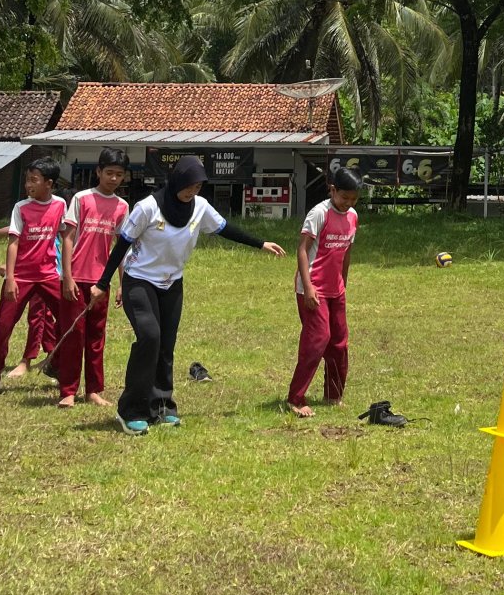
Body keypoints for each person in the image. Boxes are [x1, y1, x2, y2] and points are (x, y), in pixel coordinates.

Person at [89, 155, 284, 436]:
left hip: (172, 284)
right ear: (177, 181)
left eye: (197, 187)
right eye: (188, 186)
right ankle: (130, 410)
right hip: (140, 281)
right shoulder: (148, 208)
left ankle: (163, 406)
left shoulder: (200, 207)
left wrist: (260, 243)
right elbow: (122, 245)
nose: (192, 192)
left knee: (166, 344)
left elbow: (224, 228)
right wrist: (103, 283)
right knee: (150, 338)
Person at [0, 160, 65, 398]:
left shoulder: (61, 206)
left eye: (34, 180)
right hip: (22, 277)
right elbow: (13, 242)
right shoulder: (21, 207)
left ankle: (60, 369)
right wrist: (11, 278)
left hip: (49, 275)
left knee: (71, 321)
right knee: (3, 328)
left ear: (49, 183)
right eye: (27, 179)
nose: (28, 185)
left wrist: (67, 275)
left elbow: (67, 238)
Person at [55, 148, 130, 409]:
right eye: (109, 173)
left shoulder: (122, 206)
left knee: (96, 336)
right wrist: (67, 276)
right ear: (98, 172)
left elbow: (122, 247)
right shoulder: (82, 199)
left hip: (101, 281)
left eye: (119, 174)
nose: (113, 179)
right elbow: (67, 238)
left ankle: (94, 390)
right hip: (76, 278)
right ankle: (67, 390)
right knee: (73, 334)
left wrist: (122, 283)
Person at [286, 172, 361, 417]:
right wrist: (307, 287)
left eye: (353, 199)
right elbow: (302, 250)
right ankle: (295, 398)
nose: (348, 203)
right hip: (313, 288)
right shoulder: (319, 213)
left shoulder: (352, 217)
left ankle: (333, 395)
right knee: (318, 340)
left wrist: (344, 284)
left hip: (335, 290)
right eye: (344, 197)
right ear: (332, 190)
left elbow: (346, 252)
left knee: (339, 343)